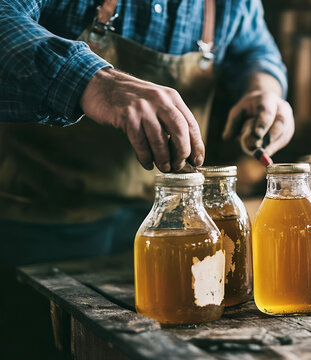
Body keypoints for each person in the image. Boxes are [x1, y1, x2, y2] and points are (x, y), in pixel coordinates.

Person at [0, 0, 293, 357]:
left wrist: (265, 89)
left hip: (167, 231)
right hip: (39, 230)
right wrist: (93, 79)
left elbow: (254, 50)